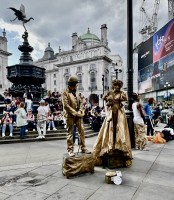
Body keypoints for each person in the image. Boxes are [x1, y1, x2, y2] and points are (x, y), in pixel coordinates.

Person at [93, 79, 132, 166]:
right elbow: (103, 98)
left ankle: (118, 146)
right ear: (113, 85)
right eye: (116, 85)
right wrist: (107, 100)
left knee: (119, 130)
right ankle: (110, 146)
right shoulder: (109, 92)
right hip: (111, 114)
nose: (117, 87)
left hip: (119, 114)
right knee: (110, 129)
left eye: (119, 85)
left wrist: (122, 102)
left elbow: (125, 100)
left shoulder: (122, 93)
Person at [62, 76, 91, 156]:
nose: (76, 86)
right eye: (75, 85)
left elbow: (81, 102)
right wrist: (75, 112)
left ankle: (83, 148)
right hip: (70, 115)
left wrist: (80, 111)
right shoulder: (65, 93)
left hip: (78, 115)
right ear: (71, 85)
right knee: (70, 132)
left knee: (81, 131)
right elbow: (66, 106)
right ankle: (70, 150)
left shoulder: (77, 93)